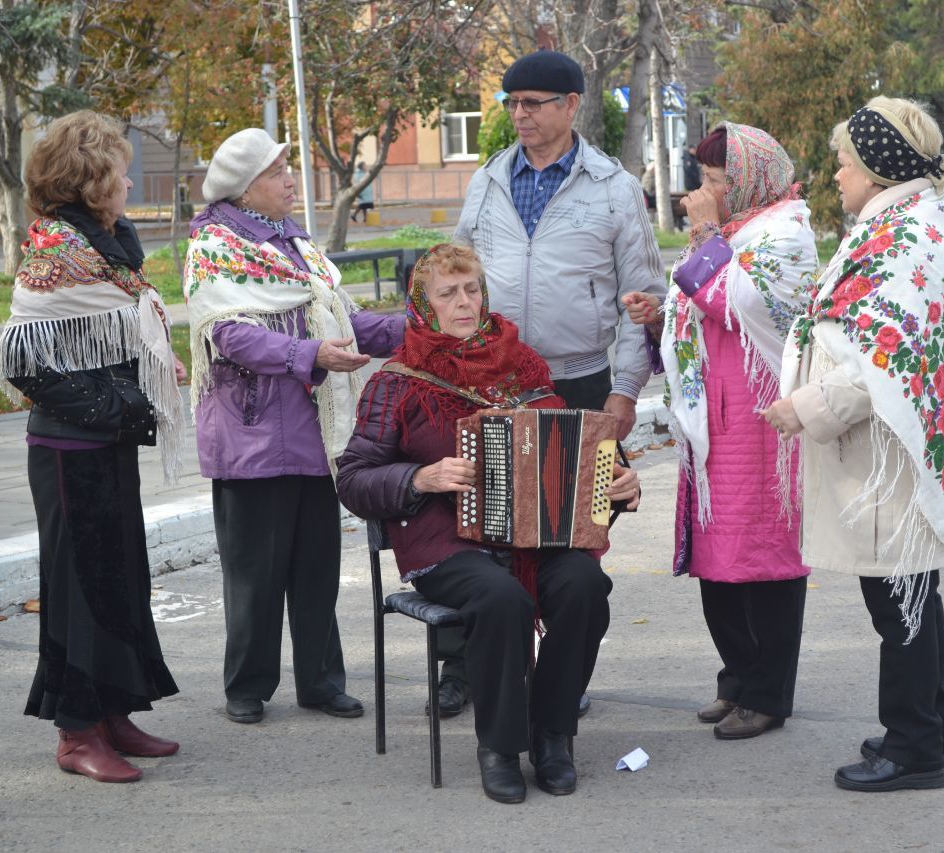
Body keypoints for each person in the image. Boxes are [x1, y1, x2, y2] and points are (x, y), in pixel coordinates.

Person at [335, 243, 640, 803]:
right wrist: (419, 478)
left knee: (584, 585)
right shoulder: (396, 381)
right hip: (446, 544)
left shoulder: (523, 364)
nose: (464, 302)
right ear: (423, 306)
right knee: (502, 599)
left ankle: (553, 734)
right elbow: (353, 478)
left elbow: (579, 452)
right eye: (447, 293)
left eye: (472, 288)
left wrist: (619, 483)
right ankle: (499, 746)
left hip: (537, 538)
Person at [763, 96, 944, 793]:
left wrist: (805, 406)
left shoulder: (905, 236)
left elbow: (886, 361)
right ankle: (938, 722)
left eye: (844, 162)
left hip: (886, 455)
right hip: (896, 449)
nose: (836, 174)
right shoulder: (908, 222)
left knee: (900, 600)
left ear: (876, 165)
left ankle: (913, 744)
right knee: (912, 591)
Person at [446, 48, 667, 715]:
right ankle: (465, 667)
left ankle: (560, 681)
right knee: (477, 531)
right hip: (491, 383)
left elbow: (643, 294)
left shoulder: (612, 187)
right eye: (512, 104)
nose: (521, 115)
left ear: (572, 106)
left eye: (535, 104)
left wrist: (624, 390)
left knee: (576, 542)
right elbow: (454, 275)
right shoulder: (486, 182)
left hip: (579, 387)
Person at [185, 128, 404, 725]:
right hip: (251, 439)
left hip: (316, 437)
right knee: (254, 576)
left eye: (290, 168)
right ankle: (247, 686)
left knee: (316, 571)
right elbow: (227, 334)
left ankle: (322, 682)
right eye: (280, 171)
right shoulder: (214, 245)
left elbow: (349, 320)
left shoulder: (297, 243)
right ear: (245, 186)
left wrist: (424, 328)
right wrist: (310, 356)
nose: (291, 180)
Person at [0, 110, 187, 783]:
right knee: (79, 590)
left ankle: (113, 710)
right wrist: (121, 402)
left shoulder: (104, 246)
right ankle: (77, 732)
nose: (130, 181)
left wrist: (145, 372)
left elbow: (101, 338)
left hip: (104, 445)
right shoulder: (55, 254)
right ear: (90, 179)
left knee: (119, 581)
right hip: (67, 451)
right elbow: (25, 361)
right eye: (119, 170)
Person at [620, 123, 814, 740]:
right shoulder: (736, 233)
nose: (703, 193)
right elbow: (698, 302)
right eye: (703, 180)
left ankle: (768, 693)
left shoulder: (787, 233)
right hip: (712, 424)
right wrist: (660, 319)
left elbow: (744, 302)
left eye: (716, 181)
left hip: (761, 425)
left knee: (766, 560)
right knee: (717, 558)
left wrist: (703, 234)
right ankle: (736, 679)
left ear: (750, 180)